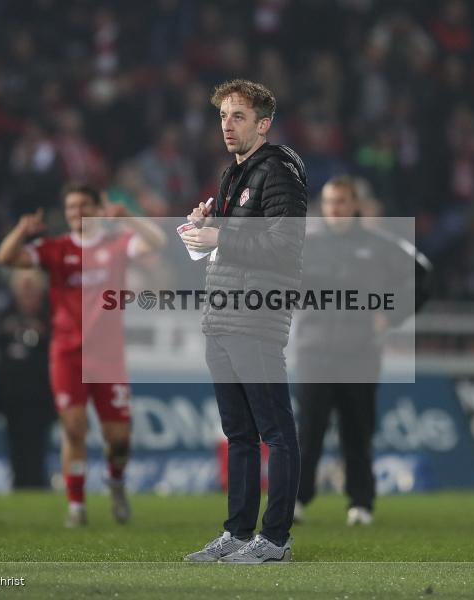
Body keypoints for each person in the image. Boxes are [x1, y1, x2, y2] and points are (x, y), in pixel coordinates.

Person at [181, 79, 307, 563]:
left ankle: (275, 539)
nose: (227, 126)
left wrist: (221, 239)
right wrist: (205, 231)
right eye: (222, 117)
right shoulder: (232, 174)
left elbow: (284, 247)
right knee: (239, 434)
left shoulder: (278, 172)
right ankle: (237, 532)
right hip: (222, 315)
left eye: (238, 117)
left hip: (256, 316)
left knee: (276, 432)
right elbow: (230, 245)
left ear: (263, 124)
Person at [0, 183, 166, 526]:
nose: (76, 213)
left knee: (118, 440)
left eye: (82, 206)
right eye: (71, 207)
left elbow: (158, 241)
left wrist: (128, 217)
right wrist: (21, 230)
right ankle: (77, 504)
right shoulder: (56, 249)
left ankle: (116, 484)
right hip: (68, 354)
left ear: (96, 209)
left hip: (108, 357)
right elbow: (6, 258)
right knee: (74, 428)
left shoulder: (115, 244)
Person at [291, 176, 431, 527]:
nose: (334, 209)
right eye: (329, 203)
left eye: (341, 202)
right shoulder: (305, 245)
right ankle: (295, 500)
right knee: (308, 431)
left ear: (355, 206)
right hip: (314, 352)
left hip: (360, 353)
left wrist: (393, 314)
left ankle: (361, 503)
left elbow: (424, 278)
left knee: (358, 431)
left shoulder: (380, 246)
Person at [0, 269, 56, 489]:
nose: (27, 293)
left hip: (40, 393)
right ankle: (18, 484)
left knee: (38, 445)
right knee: (15, 444)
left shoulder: (50, 317)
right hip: (12, 394)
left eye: (31, 288)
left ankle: (38, 484)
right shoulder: (3, 314)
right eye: (23, 288)